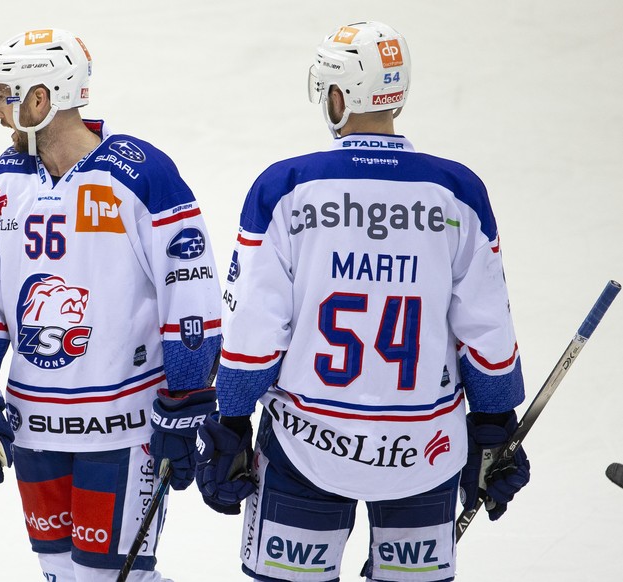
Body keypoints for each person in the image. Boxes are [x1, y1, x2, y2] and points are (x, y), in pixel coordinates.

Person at [195, 21, 531, 582]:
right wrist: (495, 422)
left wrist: (230, 420)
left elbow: (253, 332)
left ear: (337, 94)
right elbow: (487, 330)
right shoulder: (457, 193)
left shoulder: (286, 187)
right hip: (424, 453)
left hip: (306, 449)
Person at [0, 28, 221, 581]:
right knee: (58, 573)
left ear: (40, 100)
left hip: (127, 426)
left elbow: (189, 291)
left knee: (111, 576)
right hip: (34, 424)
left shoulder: (141, 175)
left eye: (6, 95)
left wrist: (189, 392)